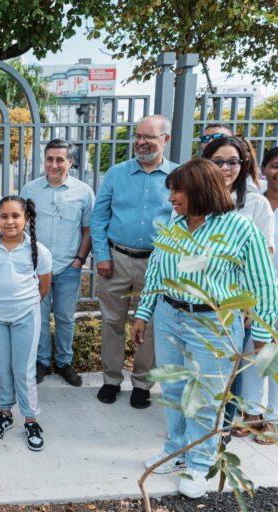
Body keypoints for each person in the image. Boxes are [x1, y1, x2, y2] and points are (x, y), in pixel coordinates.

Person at [130, 158, 277, 498]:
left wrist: (261, 336)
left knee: (206, 396)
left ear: (199, 190)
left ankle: (200, 462)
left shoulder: (240, 230)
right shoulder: (175, 225)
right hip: (169, 316)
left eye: (177, 191)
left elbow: (263, 285)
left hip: (212, 323)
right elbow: (157, 273)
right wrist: (143, 313)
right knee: (174, 390)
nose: (171, 199)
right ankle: (177, 450)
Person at [91, 114, 177, 408]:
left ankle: (142, 383)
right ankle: (111, 380)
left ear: (165, 140)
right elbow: (99, 216)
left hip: (157, 263)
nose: (141, 142)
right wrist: (101, 255)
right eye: (138, 136)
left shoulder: (178, 176)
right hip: (116, 259)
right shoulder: (117, 173)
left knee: (151, 325)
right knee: (112, 322)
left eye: (148, 137)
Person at [202, 137, 276, 442]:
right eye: (218, 161)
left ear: (243, 165)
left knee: (231, 368)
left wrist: (250, 304)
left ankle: (222, 430)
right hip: (203, 299)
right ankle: (204, 425)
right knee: (205, 366)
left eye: (232, 161)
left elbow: (263, 259)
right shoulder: (198, 199)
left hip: (237, 302)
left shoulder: (255, 203)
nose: (225, 168)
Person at [0, 197, 52, 451]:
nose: (9, 221)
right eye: (4, 216)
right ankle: (5, 413)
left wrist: (23, 304)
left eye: (15, 216)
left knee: (24, 370)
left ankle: (30, 419)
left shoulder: (38, 251)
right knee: (2, 368)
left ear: (26, 219)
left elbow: (44, 285)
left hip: (25, 317)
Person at [21, 139, 94, 387]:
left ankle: (64, 362)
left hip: (68, 268)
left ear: (70, 162)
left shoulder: (83, 192)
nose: (54, 164)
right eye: (50, 159)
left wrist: (79, 260)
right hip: (37, 268)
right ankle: (42, 362)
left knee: (65, 318)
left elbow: (88, 229)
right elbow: (20, 228)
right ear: (44, 161)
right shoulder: (29, 190)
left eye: (60, 159)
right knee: (38, 317)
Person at [255, 146, 278, 443]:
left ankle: (273, 417)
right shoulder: (254, 202)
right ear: (263, 169)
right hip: (254, 290)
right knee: (255, 352)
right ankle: (250, 413)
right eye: (274, 165)